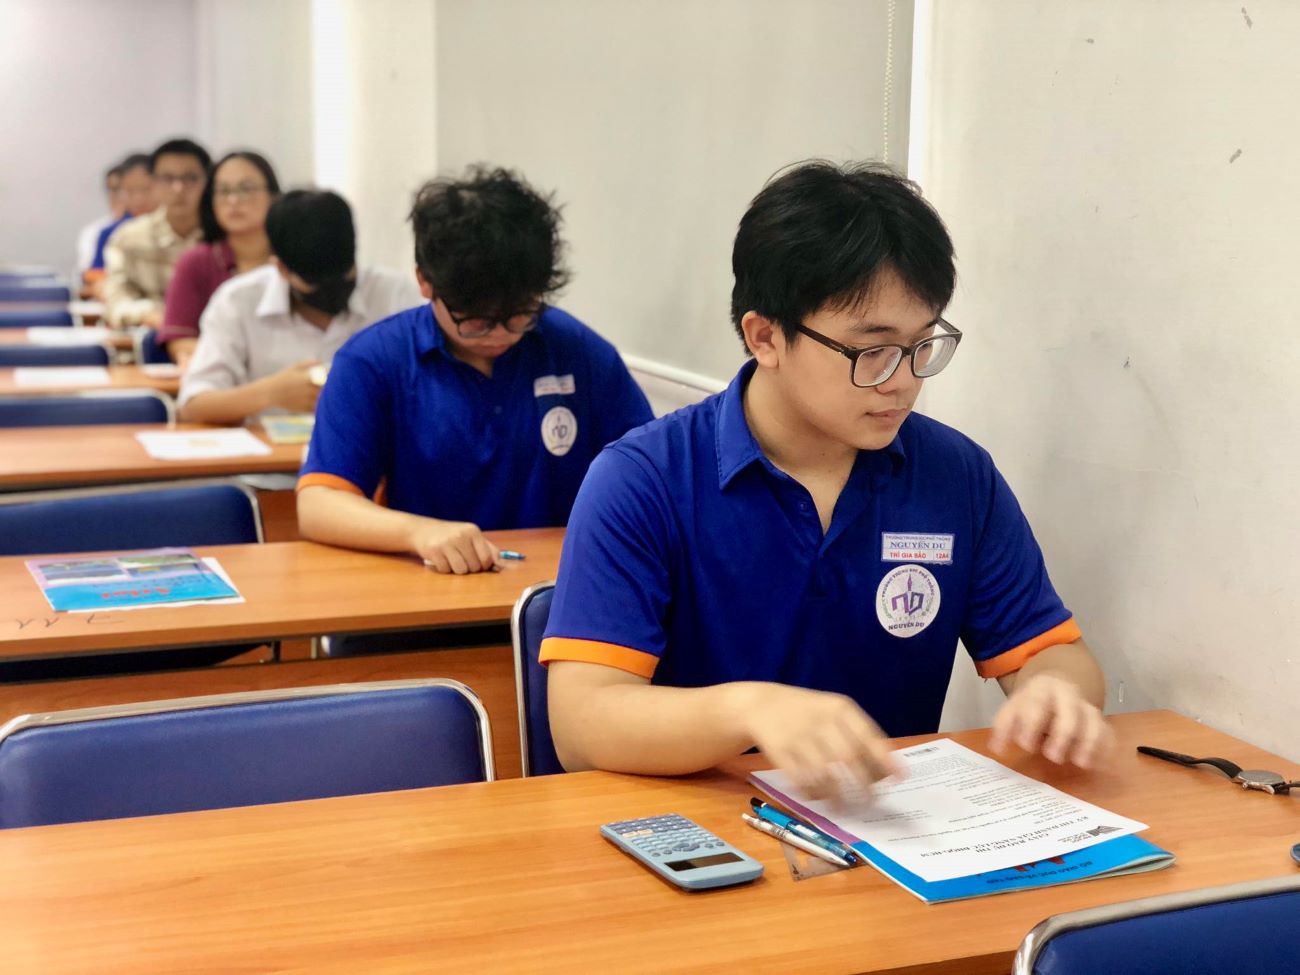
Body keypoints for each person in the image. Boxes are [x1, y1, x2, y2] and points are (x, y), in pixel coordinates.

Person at [540, 161, 1113, 799]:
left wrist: (1055, 694)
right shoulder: (644, 479)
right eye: (871, 351)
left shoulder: (956, 475)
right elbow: (582, 722)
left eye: (923, 344)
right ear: (765, 337)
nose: (902, 380)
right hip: (702, 831)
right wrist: (747, 711)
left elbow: (1051, 654)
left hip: (889, 838)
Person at [296, 165, 653, 574]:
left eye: (519, 315)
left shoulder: (577, 351)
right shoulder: (374, 360)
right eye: (477, 321)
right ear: (425, 283)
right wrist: (419, 533)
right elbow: (318, 504)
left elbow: (648, 475)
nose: (499, 334)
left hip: (553, 593)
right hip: (421, 592)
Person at [178, 189, 420, 425]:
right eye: (315, 284)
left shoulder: (394, 294)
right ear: (282, 269)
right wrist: (270, 394)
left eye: (343, 279)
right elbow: (193, 405)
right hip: (270, 462)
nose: (331, 291)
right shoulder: (238, 301)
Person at [159, 150, 280, 366]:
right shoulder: (196, 262)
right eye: (223, 191)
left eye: (246, 189)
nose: (233, 200)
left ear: (272, 195)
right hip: (221, 385)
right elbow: (181, 342)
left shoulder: (290, 260)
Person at [101, 137, 211, 328]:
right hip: (150, 341)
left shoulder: (224, 236)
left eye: (190, 178)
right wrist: (153, 314)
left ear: (208, 182)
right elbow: (115, 299)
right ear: (154, 183)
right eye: (168, 179)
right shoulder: (128, 237)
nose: (179, 188)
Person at [83, 153, 155, 288]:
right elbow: (94, 277)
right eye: (130, 191)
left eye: (146, 189)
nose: (138, 199)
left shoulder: (173, 228)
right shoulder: (109, 233)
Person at [75, 161, 126, 273]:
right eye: (111, 190)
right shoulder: (95, 232)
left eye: (120, 189)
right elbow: (87, 275)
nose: (115, 196)